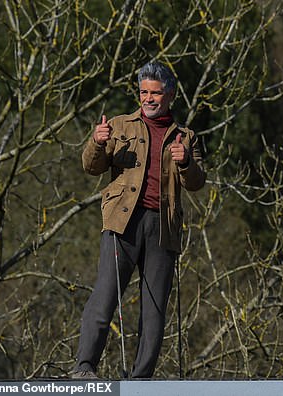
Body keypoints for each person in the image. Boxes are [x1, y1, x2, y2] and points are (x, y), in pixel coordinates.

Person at [71, 61, 206, 379]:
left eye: (155, 93)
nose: (148, 98)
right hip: (122, 222)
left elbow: (197, 181)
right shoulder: (119, 125)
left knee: (155, 308)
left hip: (163, 228)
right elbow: (92, 166)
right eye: (144, 92)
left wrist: (185, 161)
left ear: (169, 94)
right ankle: (84, 366)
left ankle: (141, 379)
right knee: (105, 295)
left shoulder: (186, 137)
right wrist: (97, 142)